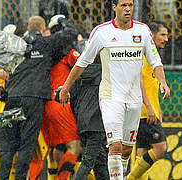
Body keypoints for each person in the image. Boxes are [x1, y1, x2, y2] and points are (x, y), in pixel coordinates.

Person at [59, 0, 170, 179]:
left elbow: (156, 61)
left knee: (126, 150)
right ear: (114, 7)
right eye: (123, 5)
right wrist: (66, 87)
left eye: (130, 5)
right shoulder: (102, 32)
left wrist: (163, 82)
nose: (127, 9)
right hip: (110, 97)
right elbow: (82, 63)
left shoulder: (142, 31)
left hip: (134, 99)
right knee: (115, 146)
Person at [0, 15, 78, 180]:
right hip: (33, 99)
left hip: (12, 97)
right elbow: (71, 33)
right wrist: (62, 20)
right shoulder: (46, 43)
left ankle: (3, 178)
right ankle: (20, 178)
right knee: (27, 144)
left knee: (7, 146)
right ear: (43, 29)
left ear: (28, 27)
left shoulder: (16, 44)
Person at [41, 14, 82, 180]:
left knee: (54, 148)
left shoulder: (45, 50)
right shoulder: (67, 51)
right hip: (60, 102)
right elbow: (82, 67)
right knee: (74, 146)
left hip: (45, 103)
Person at [127, 21, 169, 180]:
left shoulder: (153, 56)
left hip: (148, 112)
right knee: (160, 147)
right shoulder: (143, 55)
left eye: (167, 35)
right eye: (162, 35)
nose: (166, 39)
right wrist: (149, 107)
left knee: (142, 153)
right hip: (144, 112)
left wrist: (158, 111)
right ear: (151, 35)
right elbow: (138, 81)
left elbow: (151, 87)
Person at [70, 61, 109, 180]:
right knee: (88, 161)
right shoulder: (107, 72)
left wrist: (79, 114)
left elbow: (72, 96)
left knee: (99, 160)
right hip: (97, 122)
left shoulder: (80, 72)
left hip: (83, 122)